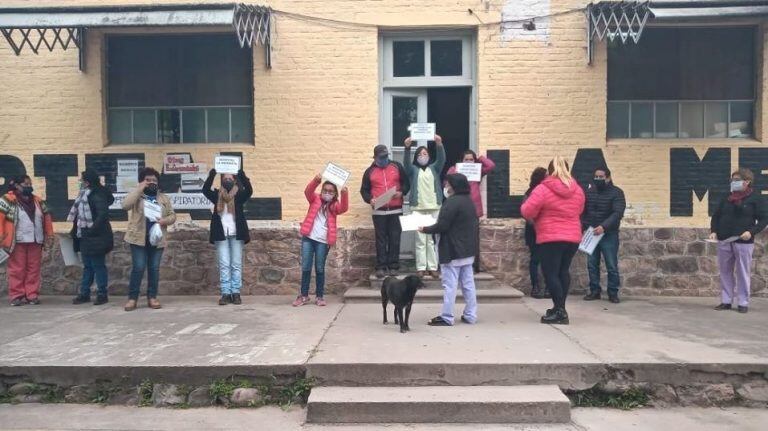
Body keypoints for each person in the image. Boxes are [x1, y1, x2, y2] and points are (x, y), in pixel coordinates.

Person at [520, 156, 585, 325]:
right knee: (563, 271)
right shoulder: (577, 189)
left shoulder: (543, 188)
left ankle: (560, 312)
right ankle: (559, 308)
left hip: (551, 237)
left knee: (550, 274)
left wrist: (540, 215)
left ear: (550, 171)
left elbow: (527, 211)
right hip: (572, 237)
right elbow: (580, 209)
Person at [420, 173, 479, 326]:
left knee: (450, 285)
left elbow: (443, 225)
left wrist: (425, 229)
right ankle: (471, 315)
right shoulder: (469, 201)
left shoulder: (452, 203)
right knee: (468, 284)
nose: (445, 186)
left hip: (452, 250)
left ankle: (447, 316)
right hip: (467, 250)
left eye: (447, 184)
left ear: (453, 186)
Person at [710, 168, 768, 314]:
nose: (733, 183)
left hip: (743, 241)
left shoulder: (756, 198)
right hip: (724, 240)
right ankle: (726, 301)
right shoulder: (726, 197)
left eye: (737, 180)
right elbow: (716, 216)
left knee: (742, 272)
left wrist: (751, 232)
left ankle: (743, 302)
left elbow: (764, 219)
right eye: (732, 180)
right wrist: (714, 231)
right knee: (725, 271)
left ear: (747, 182)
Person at [121, 167, 176, 311]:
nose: (151, 182)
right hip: (138, 238)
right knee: (138, 268)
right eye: (148, 180)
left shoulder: (163, 198)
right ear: (141, 181)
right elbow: (125, 205)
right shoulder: (137, 196)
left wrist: (164, 221)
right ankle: (132, 299)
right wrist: (139, 189)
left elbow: (172, 215)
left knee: (154, 269)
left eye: (154, 180)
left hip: (157, 238)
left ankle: (152, 297)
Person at [293, 175, 349, 307]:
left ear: (334, 193)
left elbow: (344, 208)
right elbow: (308, 191)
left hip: (323, 242)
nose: (327, 193)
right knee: (306, 267)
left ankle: (319, 296)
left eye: (331, 191)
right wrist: (316, 180)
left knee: (319, 268)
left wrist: (344, 193)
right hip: (308, 238)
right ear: (322, 190)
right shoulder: (315, 199)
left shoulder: (334, 206)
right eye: (325, 190)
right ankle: (304, 295)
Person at [0, 175, 54, 306]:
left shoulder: (38, 201)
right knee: (17, 269)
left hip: (36, 240)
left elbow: (46, 218)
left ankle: (32, 295)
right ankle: (16, 295)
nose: (29, 187)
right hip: (17, 241)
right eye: (26, 185)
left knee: (33, 269)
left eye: (30, 184)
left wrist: (50, 235)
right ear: (17, 186)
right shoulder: (7, 200)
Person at [203, 168, 253, 306]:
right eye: (225, 179)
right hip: (221, 234)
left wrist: (242, 174)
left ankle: (236, 293)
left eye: (230, 179)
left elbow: (249, 190)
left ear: (235, 180)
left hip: (237, 234)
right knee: (224, 265)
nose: (228, 181)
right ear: (222, 181)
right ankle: (225, 293)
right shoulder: (216, 195)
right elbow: (205, 190)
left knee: (236, 264)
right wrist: (212, 175)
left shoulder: (240, 195)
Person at [360, 144, 410, 278]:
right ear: (375, 157)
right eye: (381, 157)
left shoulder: (397, 166)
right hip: (379, 212)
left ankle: (393, 265)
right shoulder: (369, 172)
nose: (384, 159)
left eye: (386, 156)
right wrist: (370, 199)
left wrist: (401, 192)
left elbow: (406, 183)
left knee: (395, 238)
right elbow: (364, 190)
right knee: (381, 240)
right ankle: (381, 266)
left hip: (396, 209)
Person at [69, 169, 115, 306]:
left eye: (81, 180)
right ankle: (84, 293)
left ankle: (102, 293)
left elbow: (102, 215)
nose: (80, 183)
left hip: (96, 236)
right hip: (85, 235)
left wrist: (91, 230)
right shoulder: (84, 194)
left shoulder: (96, 195)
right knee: (88, 266)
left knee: (98, 265)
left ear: (87, 182)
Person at [582, 166, 626, 304]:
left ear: (608, 177)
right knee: (591, 264)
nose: (598, 179)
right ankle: (595, 291)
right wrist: (584, 226)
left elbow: (617, 213)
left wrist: (604, 227)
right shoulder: (589, 192)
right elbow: (583, 210)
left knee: (611, 264)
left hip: (609, 234)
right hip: (591, 233)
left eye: (601, 177)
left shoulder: (617, 193)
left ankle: (613, 292)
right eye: (596, 177)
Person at [446, 150, 496, 272]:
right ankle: (457, 262)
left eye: (471, 159)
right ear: (461, 161)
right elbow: (447, 185)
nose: (468, 162)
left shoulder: (477, 171)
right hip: (457, 209)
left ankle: (473, 265)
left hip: (473, 209)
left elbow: (491, 166)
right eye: (466, 159)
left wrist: (480, 158)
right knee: (457, 237)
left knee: (473, 238)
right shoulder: (454, 170)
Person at [404, 135, 446, 278]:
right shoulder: (413, 170)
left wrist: (439, 144)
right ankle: (421, 267)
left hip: (434, 207)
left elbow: (442, 160)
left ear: (429, 156)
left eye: (425, 154)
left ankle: (433, 267)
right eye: (420, 154)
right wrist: (407, 147)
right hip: (418, 208)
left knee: (432, 239)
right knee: (421, 239)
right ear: (416, 156)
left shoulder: (434, 168)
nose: (423, 156)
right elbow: (406, 164)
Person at [524, 167, 549, 299]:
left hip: (545, 230)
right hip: (535, 230)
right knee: (535, 259)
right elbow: (527, 214)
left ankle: (547, 288)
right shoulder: (531, 192)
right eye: (546, 176)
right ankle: (536, 287)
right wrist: (537, 225)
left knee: (547, 260)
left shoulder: (548, 192)